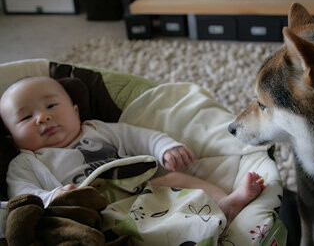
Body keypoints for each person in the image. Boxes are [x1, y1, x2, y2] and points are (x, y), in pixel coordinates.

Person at [0, 76, 265, 224]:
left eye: (51, 106)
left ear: (75, 111)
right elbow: (23, 196)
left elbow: (139, 137)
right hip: (98, 210)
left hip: (142, 187)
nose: (42, 118)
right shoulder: (26, 163)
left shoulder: (97, 129)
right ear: (12, 139)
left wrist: (164, 147)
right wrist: (52, 196)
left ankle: (225, 203)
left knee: (175, 179)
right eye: (25, 118)